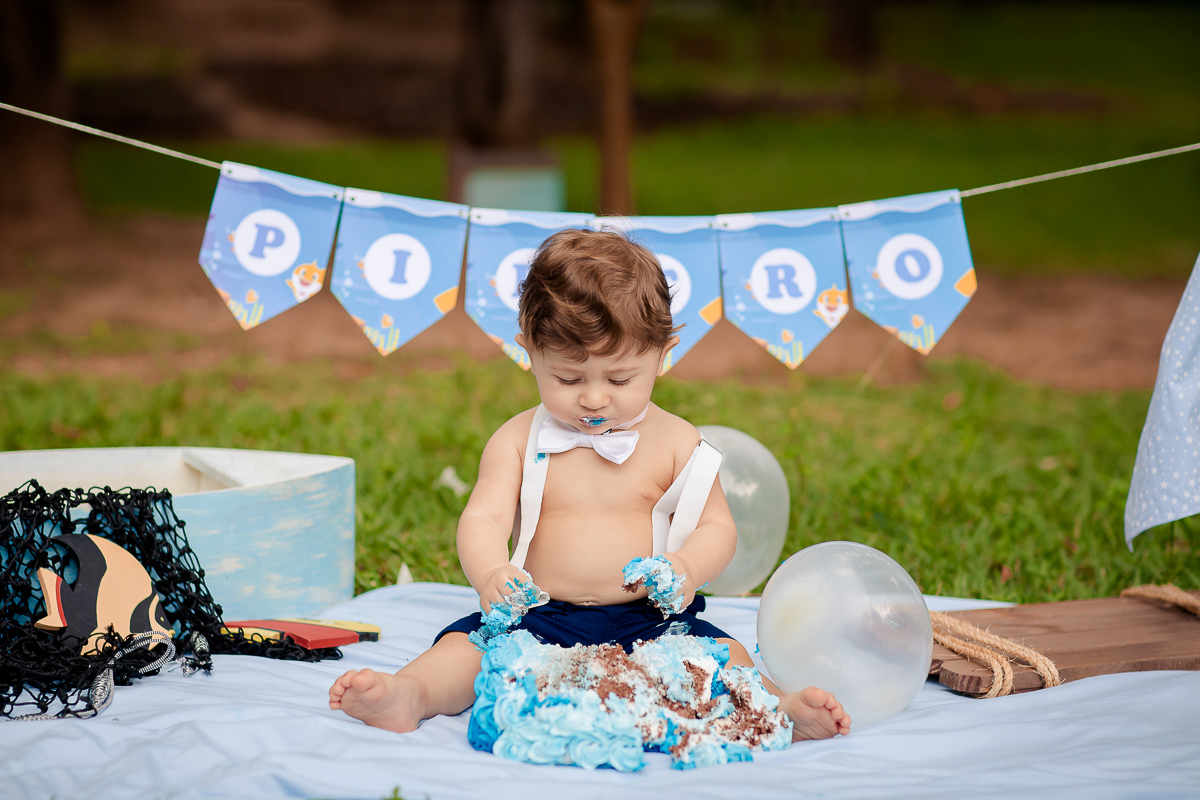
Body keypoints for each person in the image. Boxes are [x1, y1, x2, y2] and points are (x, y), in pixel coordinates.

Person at [328, 228, 850, 742]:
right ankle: (411, 695)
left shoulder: (675, 441)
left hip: (649, 619)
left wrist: (687, 568)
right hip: (537, 613)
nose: (594, 399)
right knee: (464, 651)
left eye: (620, 379)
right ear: (529, 351)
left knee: (722, 656)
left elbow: (717, 526)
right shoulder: (515, 439)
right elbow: (483, 517)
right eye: (568, 379)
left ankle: (773, 705)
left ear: (663, 353)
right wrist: (491, 572)